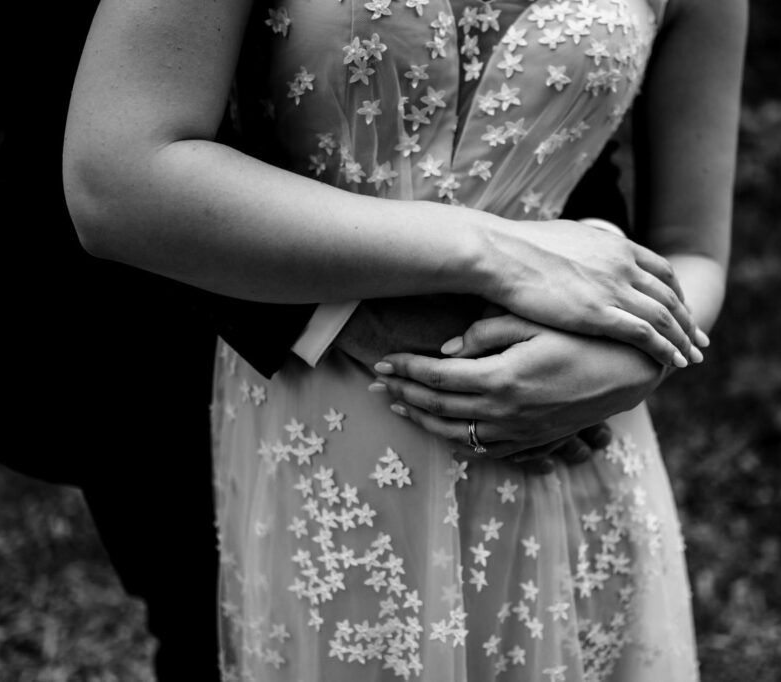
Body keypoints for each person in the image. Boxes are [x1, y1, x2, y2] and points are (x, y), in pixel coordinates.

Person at [62, 0, 745, 678]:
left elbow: (692, 249)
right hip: (318, 428)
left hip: (568, 423)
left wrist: (640, 351)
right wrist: (492, 251)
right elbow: (117, 174)